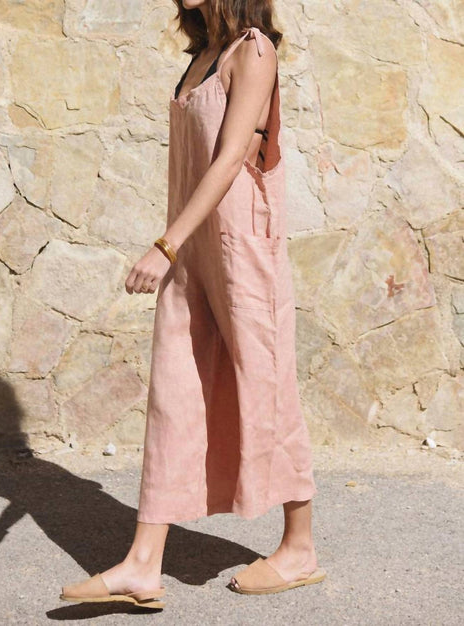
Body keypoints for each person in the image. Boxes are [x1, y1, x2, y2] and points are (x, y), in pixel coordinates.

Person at [60, 0, 325, 609]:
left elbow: (231, 157)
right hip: (192, 246)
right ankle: (142, 565)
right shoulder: (204, 54)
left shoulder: (253, 49)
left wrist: (165, 245)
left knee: (267, 387)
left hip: (240, 245)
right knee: (174, 392)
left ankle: (299, 548)